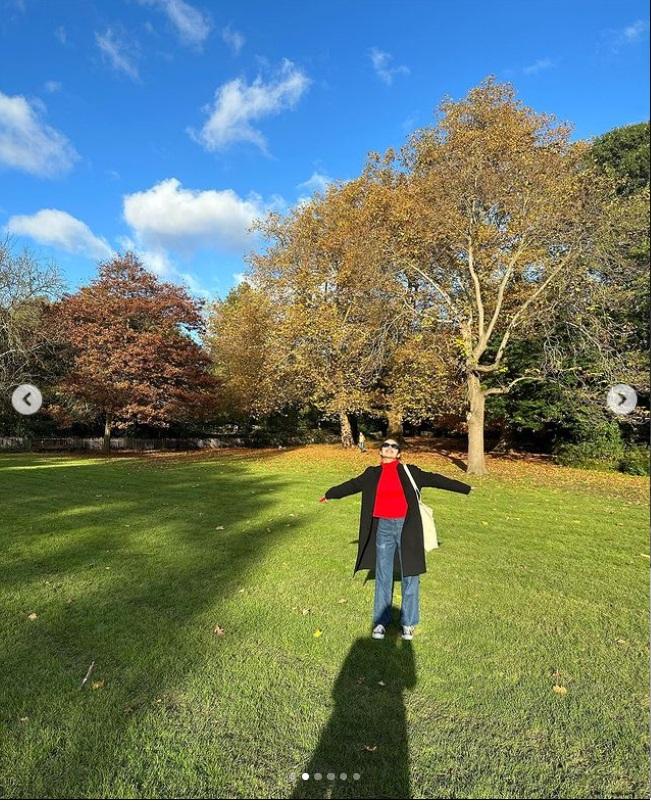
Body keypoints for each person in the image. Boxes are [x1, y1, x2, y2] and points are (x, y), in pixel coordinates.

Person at [319, 438, 472, 640]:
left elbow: (436, 479)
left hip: (407, 527)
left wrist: (465, 488)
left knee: (411, 574)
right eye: (386, 445)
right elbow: (352, 485)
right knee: (383, 574)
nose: (390, 448)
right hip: (383, 528)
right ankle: (380, 622)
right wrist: (331, 494)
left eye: (394, 446)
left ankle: (408, 623)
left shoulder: (411, 472)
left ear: (399, 453)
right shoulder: (372, 474)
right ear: (381, 451)